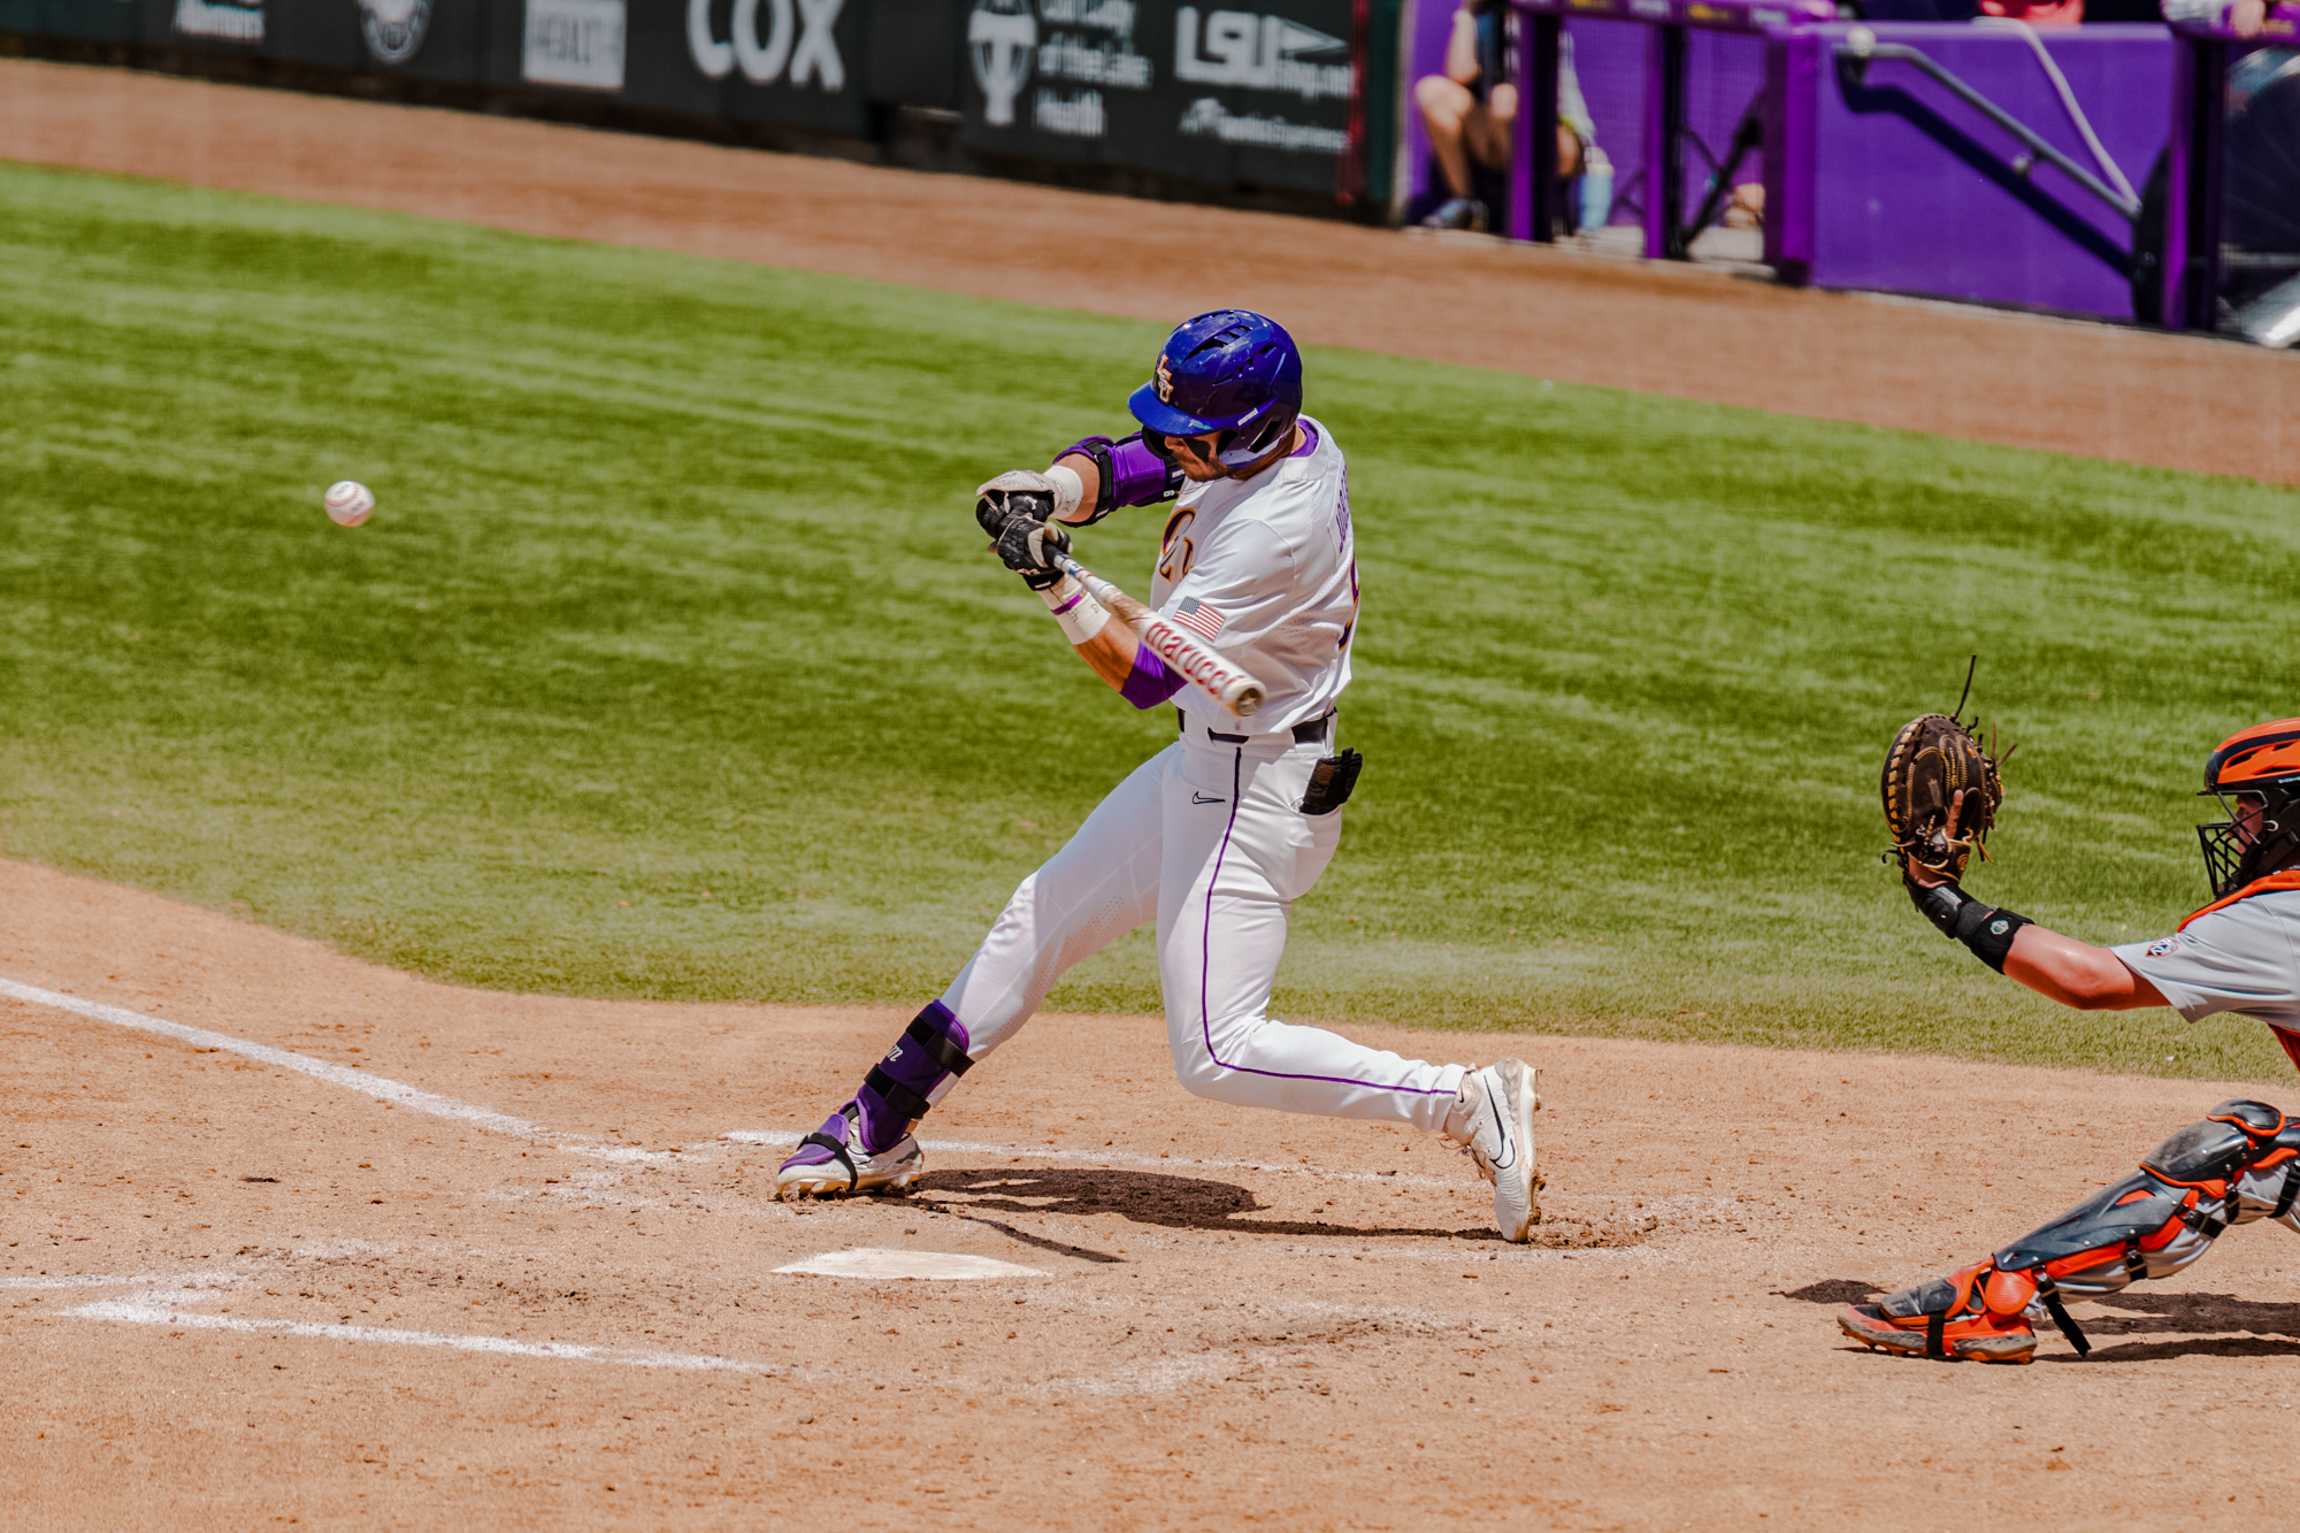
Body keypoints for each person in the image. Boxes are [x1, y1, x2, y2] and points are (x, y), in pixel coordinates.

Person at [771, 310, 1545, 1243]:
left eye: (1197, 434)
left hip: (1257, 792)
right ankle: (877, 1125)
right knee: (1042, 913)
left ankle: (1466, 1101)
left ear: (1251, 431)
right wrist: (1052, 491)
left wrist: (1053, 586)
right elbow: (1143, 459)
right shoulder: (1268, 441)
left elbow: (1145, 674)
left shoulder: (1274, 531)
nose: (1179, 443)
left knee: (1218, 1051)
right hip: (1205, 763)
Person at [1841, 718, 2300, 1362]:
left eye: (2255, 809)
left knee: (2250, 1146)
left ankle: (1999, 1296)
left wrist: (1939, 893)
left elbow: (2086, 980)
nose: (2240, 829)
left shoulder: (2283, 916)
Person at [1415, 0, 1594, 233]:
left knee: (1504, 98)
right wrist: (1466, 13)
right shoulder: (1486, 16)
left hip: (1560, 140)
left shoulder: (1540, 12)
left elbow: (1533, 92)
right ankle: (1466, 204)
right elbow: (1459, 73)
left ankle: (1529, 208)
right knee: (1432, 91)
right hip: (1501, 127)